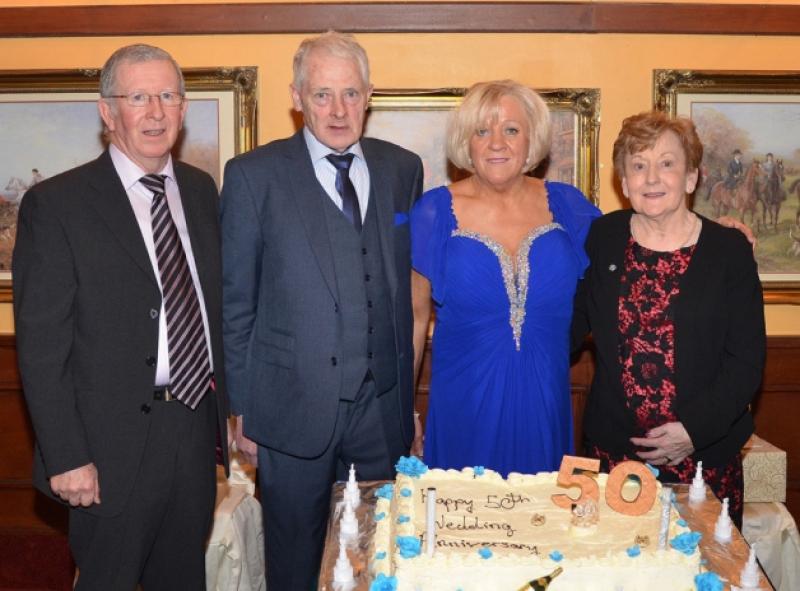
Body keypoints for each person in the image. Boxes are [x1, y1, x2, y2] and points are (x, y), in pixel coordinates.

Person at [13, 44, 228, 590]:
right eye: (139, 97)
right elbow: (41, 347)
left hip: (193, 431)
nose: (156, 111)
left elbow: (212, 312)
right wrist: (67, 455)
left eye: (169, 96)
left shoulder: (202, 193)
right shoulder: (57, 205)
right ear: (108, 113)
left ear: (183, 109)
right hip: (106, 451)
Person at [220, 31, 423, 590]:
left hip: (380, 409)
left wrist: (406, 403)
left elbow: (403, 291)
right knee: (294, 558)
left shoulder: (401, 170)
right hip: (288, 410)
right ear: (297, 96)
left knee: (375, 553)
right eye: (322, 95)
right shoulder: (252, 176)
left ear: (370, 95)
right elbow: (236, 304)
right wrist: (242, 411)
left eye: (351, 94)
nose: (338, 110)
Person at [571, 111, 765, 529]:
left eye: (667, 163)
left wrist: (693, 431)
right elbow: (567, 324)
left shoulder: (729, 251)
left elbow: (746, 362)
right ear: (623, 182)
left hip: (704, 458)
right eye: (638, 166)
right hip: (614, 458)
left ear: (691, 177)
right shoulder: (603, 237)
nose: (651, 178)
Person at [410, 80, 601, 476]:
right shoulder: (434, 212)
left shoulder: (569, 207)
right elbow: (413, 321)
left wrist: (712, 233)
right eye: (482, 131)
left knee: (543, 530)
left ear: (532, 140)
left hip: (543, 403)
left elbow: (637, 250)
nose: (496, 142)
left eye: (511, 130)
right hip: (464, 404)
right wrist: (405, 413)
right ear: (467, 142)